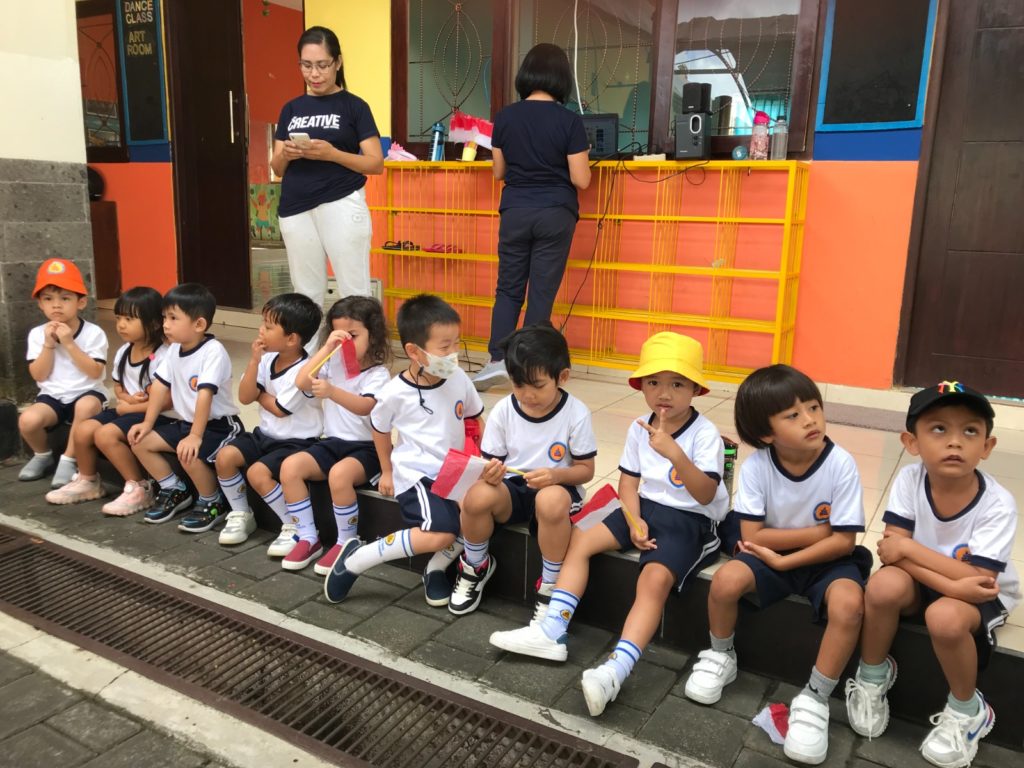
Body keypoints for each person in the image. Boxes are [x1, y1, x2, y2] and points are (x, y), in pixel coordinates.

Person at [490, 332, 729, 718]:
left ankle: (615, 670)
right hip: (643, 508)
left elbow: (705, 494)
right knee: (580, 538)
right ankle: (552, 630)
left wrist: (675, 454)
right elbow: (628, 484)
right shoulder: (640, 427)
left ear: (696, 390)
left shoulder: (705, 435)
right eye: (654, 382)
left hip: (690, 519)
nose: (664, 393)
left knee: (653, 579)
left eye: (677, 384)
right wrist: (634, 520)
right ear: (642, 386)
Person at [682, 364, 868, 765]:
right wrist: (820, 531)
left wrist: (792, 558)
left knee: (850, 605)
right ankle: (721, 655)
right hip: (770, 555)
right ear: (766, 433)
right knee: (725, 581)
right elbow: (754, 535)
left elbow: (843, 543)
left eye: (813, 407)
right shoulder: (757, 466)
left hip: (827, 561)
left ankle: (816, 697)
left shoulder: (840, 463)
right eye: (793, 415)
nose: (810, 420)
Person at [845, 382, 1019, 768]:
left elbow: (979, 581)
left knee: (943, 618)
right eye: (939, 429)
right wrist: (946, 579)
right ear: (911, 442)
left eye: (970, 431)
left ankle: (968, 710)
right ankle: (872, 675)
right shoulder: (910, 480)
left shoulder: (997, 504)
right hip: (934, 580)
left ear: (987, 446)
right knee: (882, 584)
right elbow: (891, 553)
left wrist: (910, 550)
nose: (954, 442)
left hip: (982, 594)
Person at [324, 294, 484, 607]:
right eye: (444, 347)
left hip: (455, 470)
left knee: (481, 511)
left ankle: (435, 569)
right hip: (418, 474)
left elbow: (475, 418)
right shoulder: (395, 392)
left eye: (456, 343)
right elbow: (380, 429)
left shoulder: (459, 378)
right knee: (441, 534)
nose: (453, 354)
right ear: (414, 351)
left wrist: (485, 460)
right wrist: (387, 471)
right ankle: (357, 560)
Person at [452, 324, 596, 616]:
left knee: (550, 500)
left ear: (562, 377)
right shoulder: (504, 410)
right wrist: (489, 473)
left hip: (558, 489)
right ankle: (475, 566)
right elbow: (489, 463)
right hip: (514, 488)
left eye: (538, 386)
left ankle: (551, 585)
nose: (527, 395)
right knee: (476, 496)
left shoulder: (576, 413)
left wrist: (556, 475)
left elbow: (586, 470)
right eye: (518, 385)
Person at [472, 43, 592, 392]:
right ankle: (529, 364)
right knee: (541, 291)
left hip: (516, 211)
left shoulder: (505, 117)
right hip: (555, 212)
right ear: (561, 78)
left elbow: (499, 172)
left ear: (526, 74)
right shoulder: (570, 121)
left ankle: (497, 359)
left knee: (508, 288)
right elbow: (581, 179)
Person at [275, 296, 392, 572]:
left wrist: (332, 392)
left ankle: (346, 541)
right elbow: (301, 381)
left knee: (339, 475)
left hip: (366, 448)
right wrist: (327, 347)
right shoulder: (333, 361)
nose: (346, 343)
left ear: (373, 335)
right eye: (339, 335)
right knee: (290, 468)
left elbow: (365, 407)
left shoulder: (379, 374)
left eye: (353, 335)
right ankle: (308, 536)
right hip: (332, 442)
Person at [271, 26, 384, 309]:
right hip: (295, 207)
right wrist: (287, 153)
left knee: (354, 292)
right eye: (306, 65)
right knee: (304, 294)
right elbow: (277, 167)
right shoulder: (291, 109)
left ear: (338, 62)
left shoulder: (355, 106)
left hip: (340, 202)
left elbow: (375, 163)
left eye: (322, 65)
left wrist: (332, 154)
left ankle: (356, 340)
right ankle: (308, 341)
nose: (314, 74)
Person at [44, 287, 171, 512]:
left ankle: (139, 487)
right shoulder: (124, 351)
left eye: (129, 319)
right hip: (129, 409)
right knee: (83, 429)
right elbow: (119, 386)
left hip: (156, 416)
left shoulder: (163, 355)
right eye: (119, 318)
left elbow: (166, 401)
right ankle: (88, 480)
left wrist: (128, 408)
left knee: (105, 435)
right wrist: (126, 399)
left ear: (153, 323)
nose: (121, 325)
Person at [127, 284, 243, 527]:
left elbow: (204, 396)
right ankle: (174, 489)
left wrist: (195, 436)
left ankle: (212, 501)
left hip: (218, 426)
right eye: (164, 317)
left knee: (188, 453)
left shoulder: (213, 351)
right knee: (140, 441)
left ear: (199, 324)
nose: (165, 325)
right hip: (187, 424)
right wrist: (147, 423)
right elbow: (159, 387)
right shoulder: (174, 350)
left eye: (173, 318)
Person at [213, 294, 324, 546]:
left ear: (291, 339)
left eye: (269, 326)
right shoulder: (266, 358)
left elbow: (280, 409)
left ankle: (293, 524)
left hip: (296, 443)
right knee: (225, 457)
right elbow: (245, 397)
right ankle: (242, 513)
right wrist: (254, 361)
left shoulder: (305, 370)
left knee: (257, 473)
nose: (261, 330)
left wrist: (260, 394)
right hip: (265, 435)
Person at [19, 258, 108, 487]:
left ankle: (69, 459)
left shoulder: (93, 333)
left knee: (85, 406)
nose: (56, 305)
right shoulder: (37, 334)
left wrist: (69, 343)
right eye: (48, 299)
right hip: (53, 397)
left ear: (81, 302)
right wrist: (49, 345)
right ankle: (42, 455)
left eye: (65, 298)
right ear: (40, 304)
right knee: (27, 420)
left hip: (88, 393)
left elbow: (95, 372)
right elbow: (39, 375)